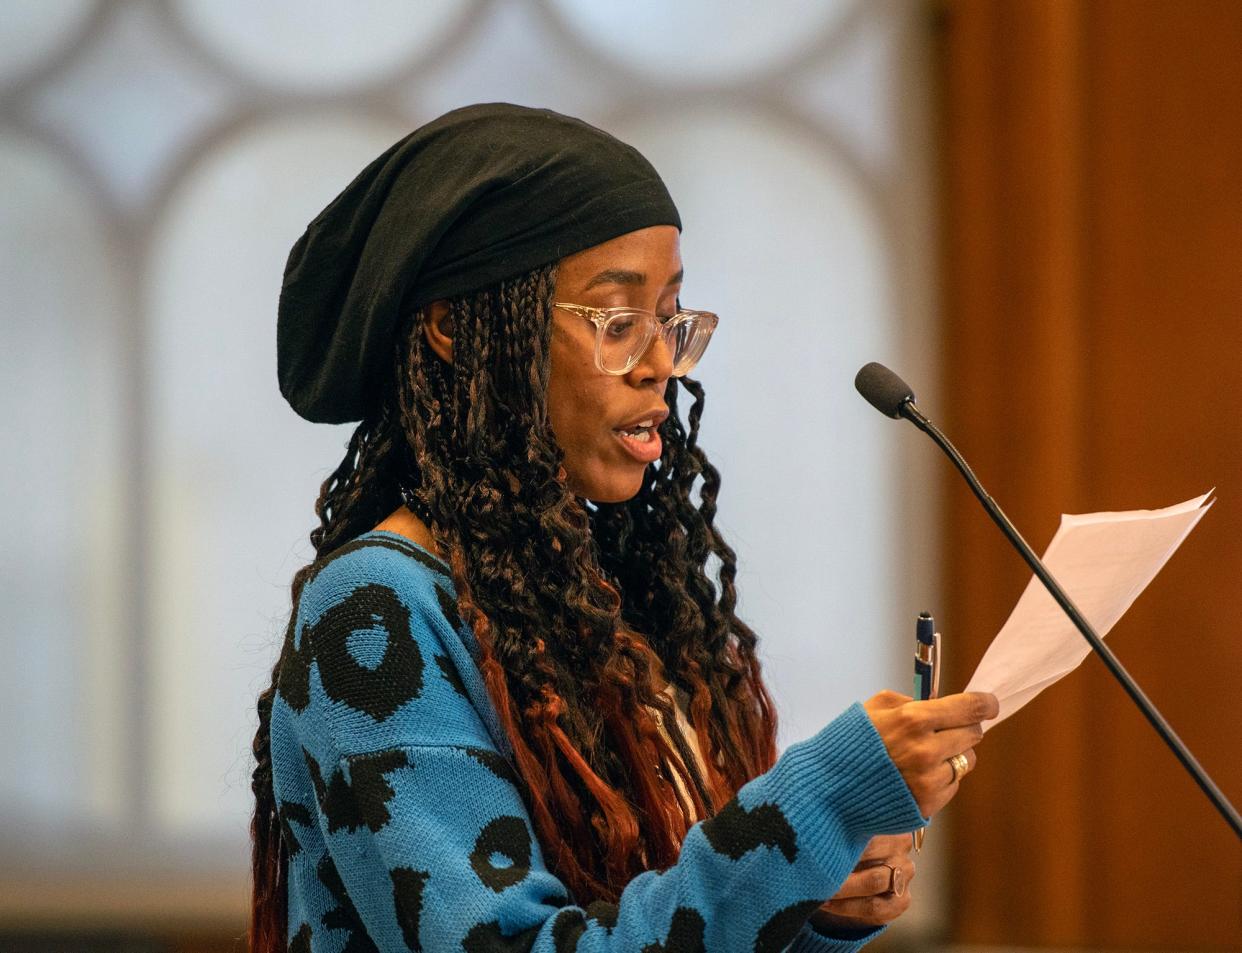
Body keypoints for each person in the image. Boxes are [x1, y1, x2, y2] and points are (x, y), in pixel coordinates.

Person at [248, 103, 997, 953]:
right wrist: (814, 804)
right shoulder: (375, 611)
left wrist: (815, 908)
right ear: (458, 330)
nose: (659, 363)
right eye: (616, 321)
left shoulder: (598, 595)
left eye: (670, 319)